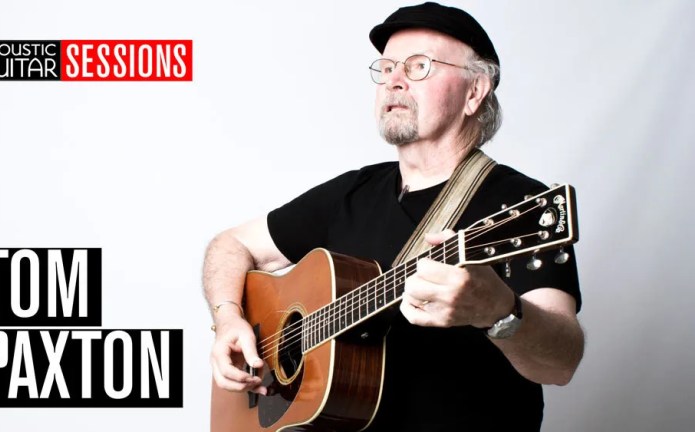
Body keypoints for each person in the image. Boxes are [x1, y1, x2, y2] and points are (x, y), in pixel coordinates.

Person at [204, 2, 584, 430]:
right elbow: (229, 245)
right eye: (385, 69)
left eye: (418, 66)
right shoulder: (352, 192)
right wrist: (228, 319)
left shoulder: (522, 207)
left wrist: (499, 311)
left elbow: (561, 364)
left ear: (475, 91)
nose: (394, 81)